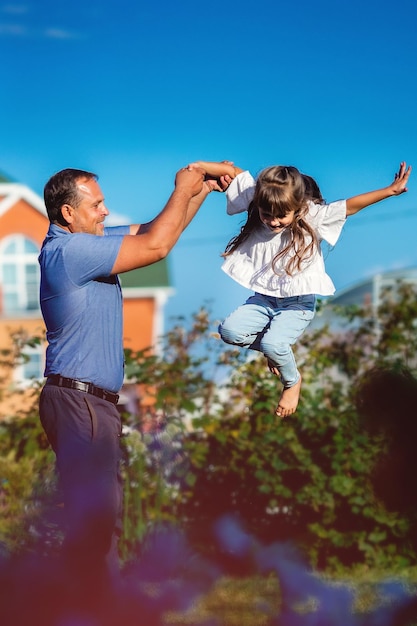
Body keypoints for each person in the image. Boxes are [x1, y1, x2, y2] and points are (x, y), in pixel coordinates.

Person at [38, 163, 212, 594]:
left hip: (89, 404)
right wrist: (181, 185)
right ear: (68, 213)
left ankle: (98, 607)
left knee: (102, 520)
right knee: (95, 521)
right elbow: (155, 247)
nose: (105, 211)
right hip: (81, 403)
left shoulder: (87, 242)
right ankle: (78, 609)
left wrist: (199, 191)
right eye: (96, 205)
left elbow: (157, 230)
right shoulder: (70, 252)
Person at [193, 160, 411, 418]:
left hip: (297, 305)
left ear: (297, 208)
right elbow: (235, 173)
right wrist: (197, 167)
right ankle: (276, 351)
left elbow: (349, 206)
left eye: (281, 216)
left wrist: (390, 190)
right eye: (266, 215)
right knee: (229, 331)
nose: (272, 222)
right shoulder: (261, 198)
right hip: (264, 300)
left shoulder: (313, 216)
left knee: (274, 344)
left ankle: (291, 382)